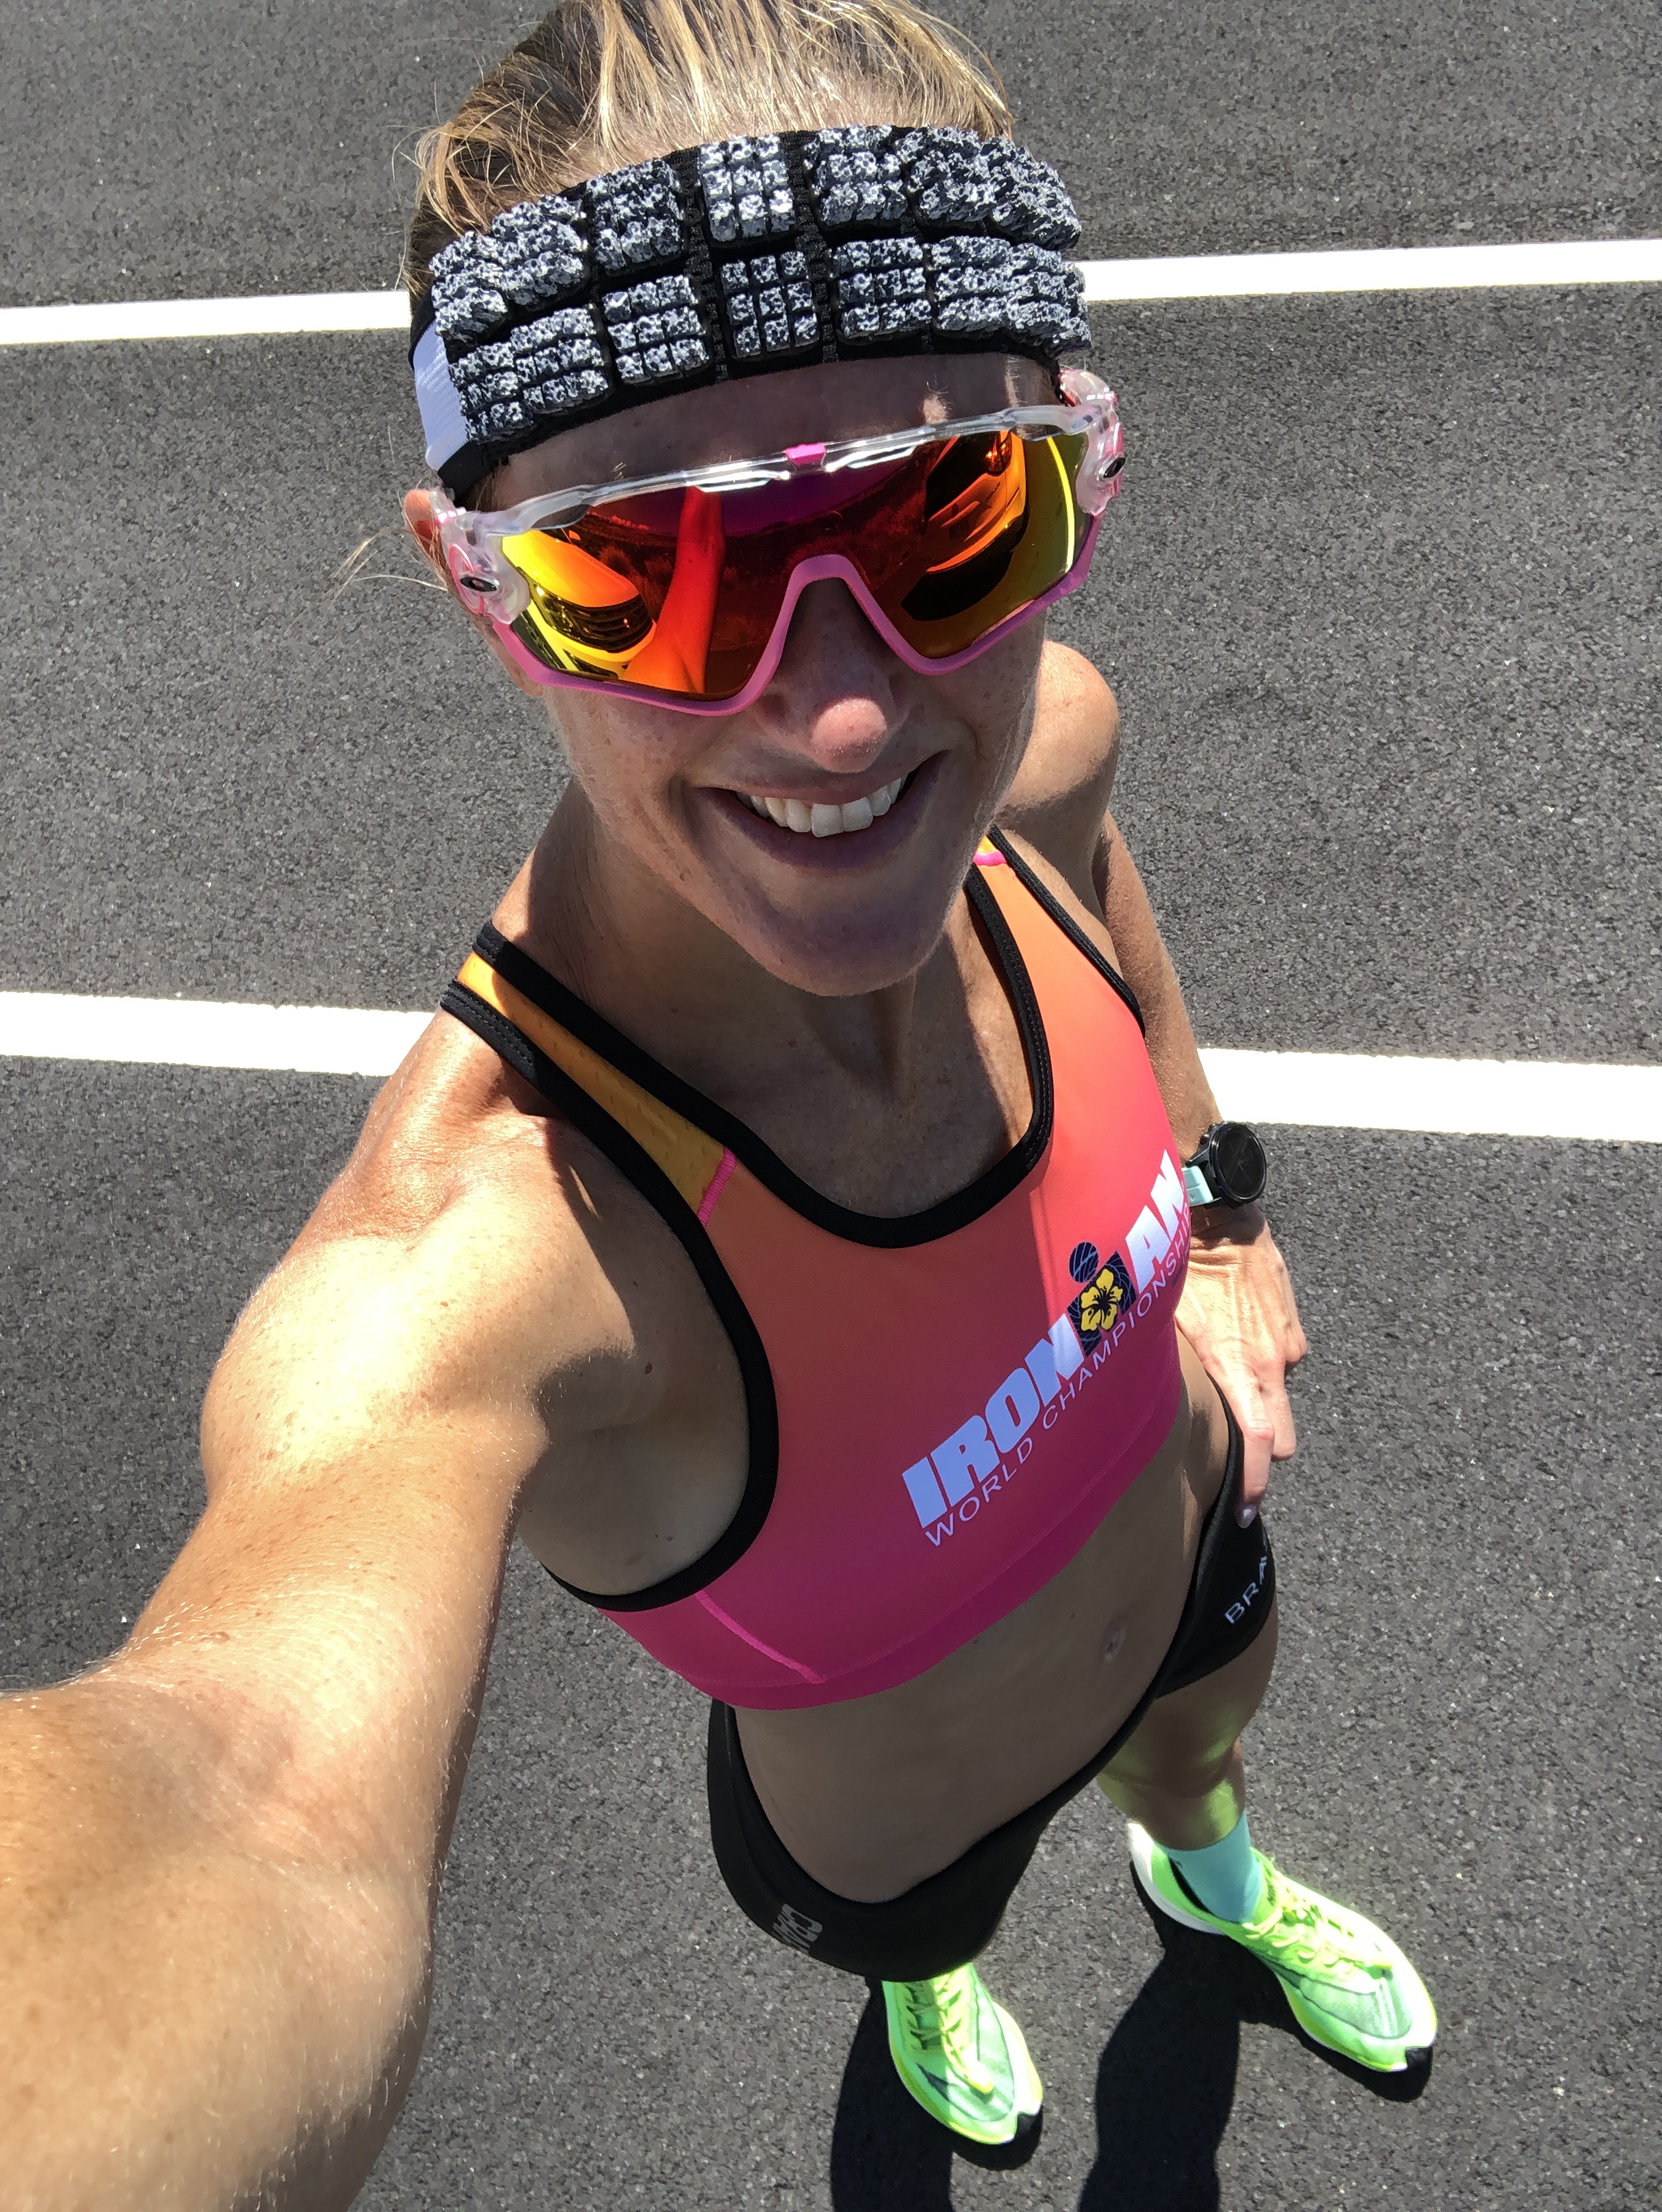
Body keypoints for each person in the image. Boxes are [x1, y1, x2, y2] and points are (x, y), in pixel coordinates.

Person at [0, 2, 1436, 2202]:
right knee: (936, 1934)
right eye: (646, 569)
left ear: (1079, 468)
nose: (846, 718)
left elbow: (1117, 924)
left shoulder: (1041, 759)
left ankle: (1213, 1882)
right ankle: (932, 1990)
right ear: (482, 586)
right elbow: (248, 1789)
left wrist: (1222, 1209)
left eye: (956, 515)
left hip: (1192, 1571)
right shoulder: (476, 1278)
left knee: (1203, 1773)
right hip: (899, 1843)